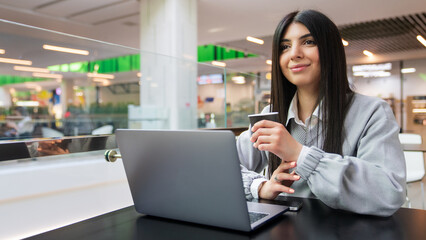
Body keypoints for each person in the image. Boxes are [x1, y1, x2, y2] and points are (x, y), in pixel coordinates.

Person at [237, 10, 406, 217]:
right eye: (285, 47)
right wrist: (259, 187)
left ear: (330, 50)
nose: (294, 54)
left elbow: (389, 192)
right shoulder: (270, 115)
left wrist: (300, 154)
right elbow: (222, 166)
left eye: (308, 42)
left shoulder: (372, 112)